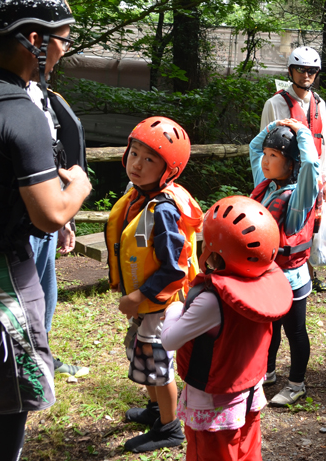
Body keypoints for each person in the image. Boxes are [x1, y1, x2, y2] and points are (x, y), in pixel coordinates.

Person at [0, 0, 92, 461]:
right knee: (12, 401)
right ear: (33, 40)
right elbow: (50, 214)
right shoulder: (21, 110)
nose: (61, 51)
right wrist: (80, 187)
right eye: (61, 39)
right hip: (3, 279)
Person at [160, 196, 293, 461]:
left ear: (211, 251)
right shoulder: (260, 283)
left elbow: (169, 341)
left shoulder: (212, 300)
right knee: (247, 453)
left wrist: (174, 309)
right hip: (249, 395)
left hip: (212, 407)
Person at [106, 116, 203, 452]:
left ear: (168, 169)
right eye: (134, 153)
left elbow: (175, 268)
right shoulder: (138, 196)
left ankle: (170, 427)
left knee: (158, 365)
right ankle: (155, 411)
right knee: (141, 352)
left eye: (150, 160)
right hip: (144, 302)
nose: (138, 164)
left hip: (159, 304)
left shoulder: (162, 210)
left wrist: (139, 295)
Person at [249, 119, 319, 406]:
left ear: (290, 164)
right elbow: (253, 148)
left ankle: (297, 384)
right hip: (266, 277)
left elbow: (311, 169)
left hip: (291, 279)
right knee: (270, 329)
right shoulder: (265, 187)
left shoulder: (297, 200)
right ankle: (268, 372)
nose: (265, 161)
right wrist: (271, 128)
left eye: (274, 156)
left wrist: (302, 133)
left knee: (295, 331)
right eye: (266, 155)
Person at [260, 46, 326, 293]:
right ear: (291, 71)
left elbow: (322, 143)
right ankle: (273, 272)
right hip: (285, 177)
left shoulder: (319, 103)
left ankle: (308, 275)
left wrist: (324, 179)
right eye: (301, 70)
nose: (306, 75)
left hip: (311, 176)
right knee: (283, 227)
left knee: (310, 225)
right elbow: (264, 146)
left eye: (312, 71)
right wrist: (267, 182)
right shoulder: (275, 103)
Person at [26, 80, 90, 377]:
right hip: (17, 223)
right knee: (24, 297)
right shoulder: (4, 99)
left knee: (44, 289)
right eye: (60, 39)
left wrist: (64, 218)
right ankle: (24, 363)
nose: (63, 48)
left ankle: (42, 356)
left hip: (47, 218)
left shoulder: (46, 97)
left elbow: (57, 158)